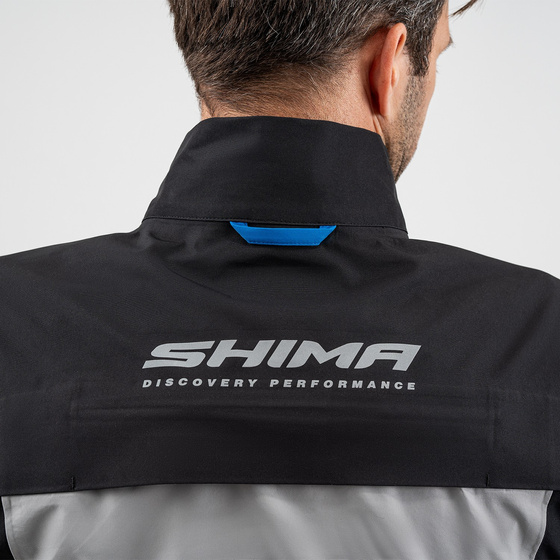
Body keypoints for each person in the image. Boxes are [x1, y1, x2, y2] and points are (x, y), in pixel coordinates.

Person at [1, 0, 559, 558]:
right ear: (388, 64)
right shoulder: (540, 335)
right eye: (434, 58)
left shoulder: (14, 319)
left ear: (206, 59)